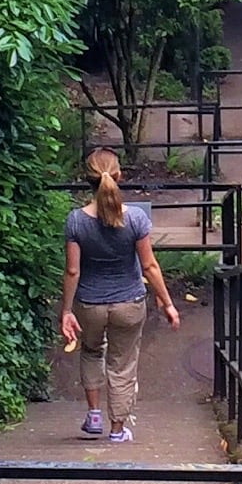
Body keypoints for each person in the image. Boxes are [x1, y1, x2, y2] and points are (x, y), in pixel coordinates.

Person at [59, 149, 180, 442]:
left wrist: (66, 311)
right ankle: (117, 429)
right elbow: (149, 266)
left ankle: (94, 416)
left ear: (86, 179)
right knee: (122, 363)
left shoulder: (75, 221)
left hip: (89, 304)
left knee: (91, 351)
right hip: (129, 303)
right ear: (119, 176)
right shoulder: (136, 219)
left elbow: (72, 271)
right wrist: (167, 303)